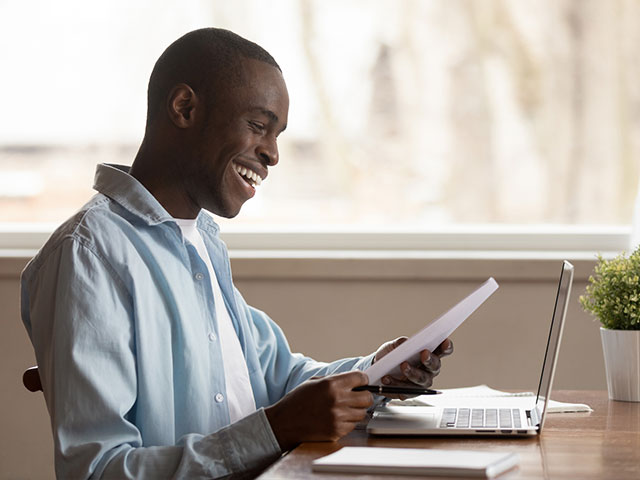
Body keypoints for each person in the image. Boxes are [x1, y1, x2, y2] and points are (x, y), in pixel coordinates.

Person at [20, 28, 453, 479]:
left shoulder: (201, 240)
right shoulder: (89, 256)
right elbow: (97, 470)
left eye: (278, 134)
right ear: (184, 108)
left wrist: (378, 372)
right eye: (258, 126)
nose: (272, 154)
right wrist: (275, 430)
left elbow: (279, 377)